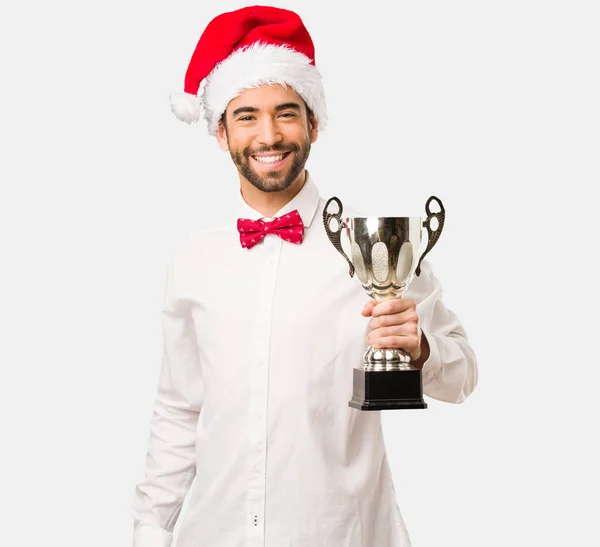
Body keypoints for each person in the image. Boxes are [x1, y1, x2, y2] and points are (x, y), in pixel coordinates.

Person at [130, 5, 478, 547]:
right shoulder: (192, 262)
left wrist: (421, 351)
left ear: (313, 122)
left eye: (286, 113)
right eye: (246, 116)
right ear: (221, 133)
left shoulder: (379, 248)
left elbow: (463, 377)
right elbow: (179, 407)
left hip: (343, 535)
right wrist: (150, 529)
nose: (269, 134)